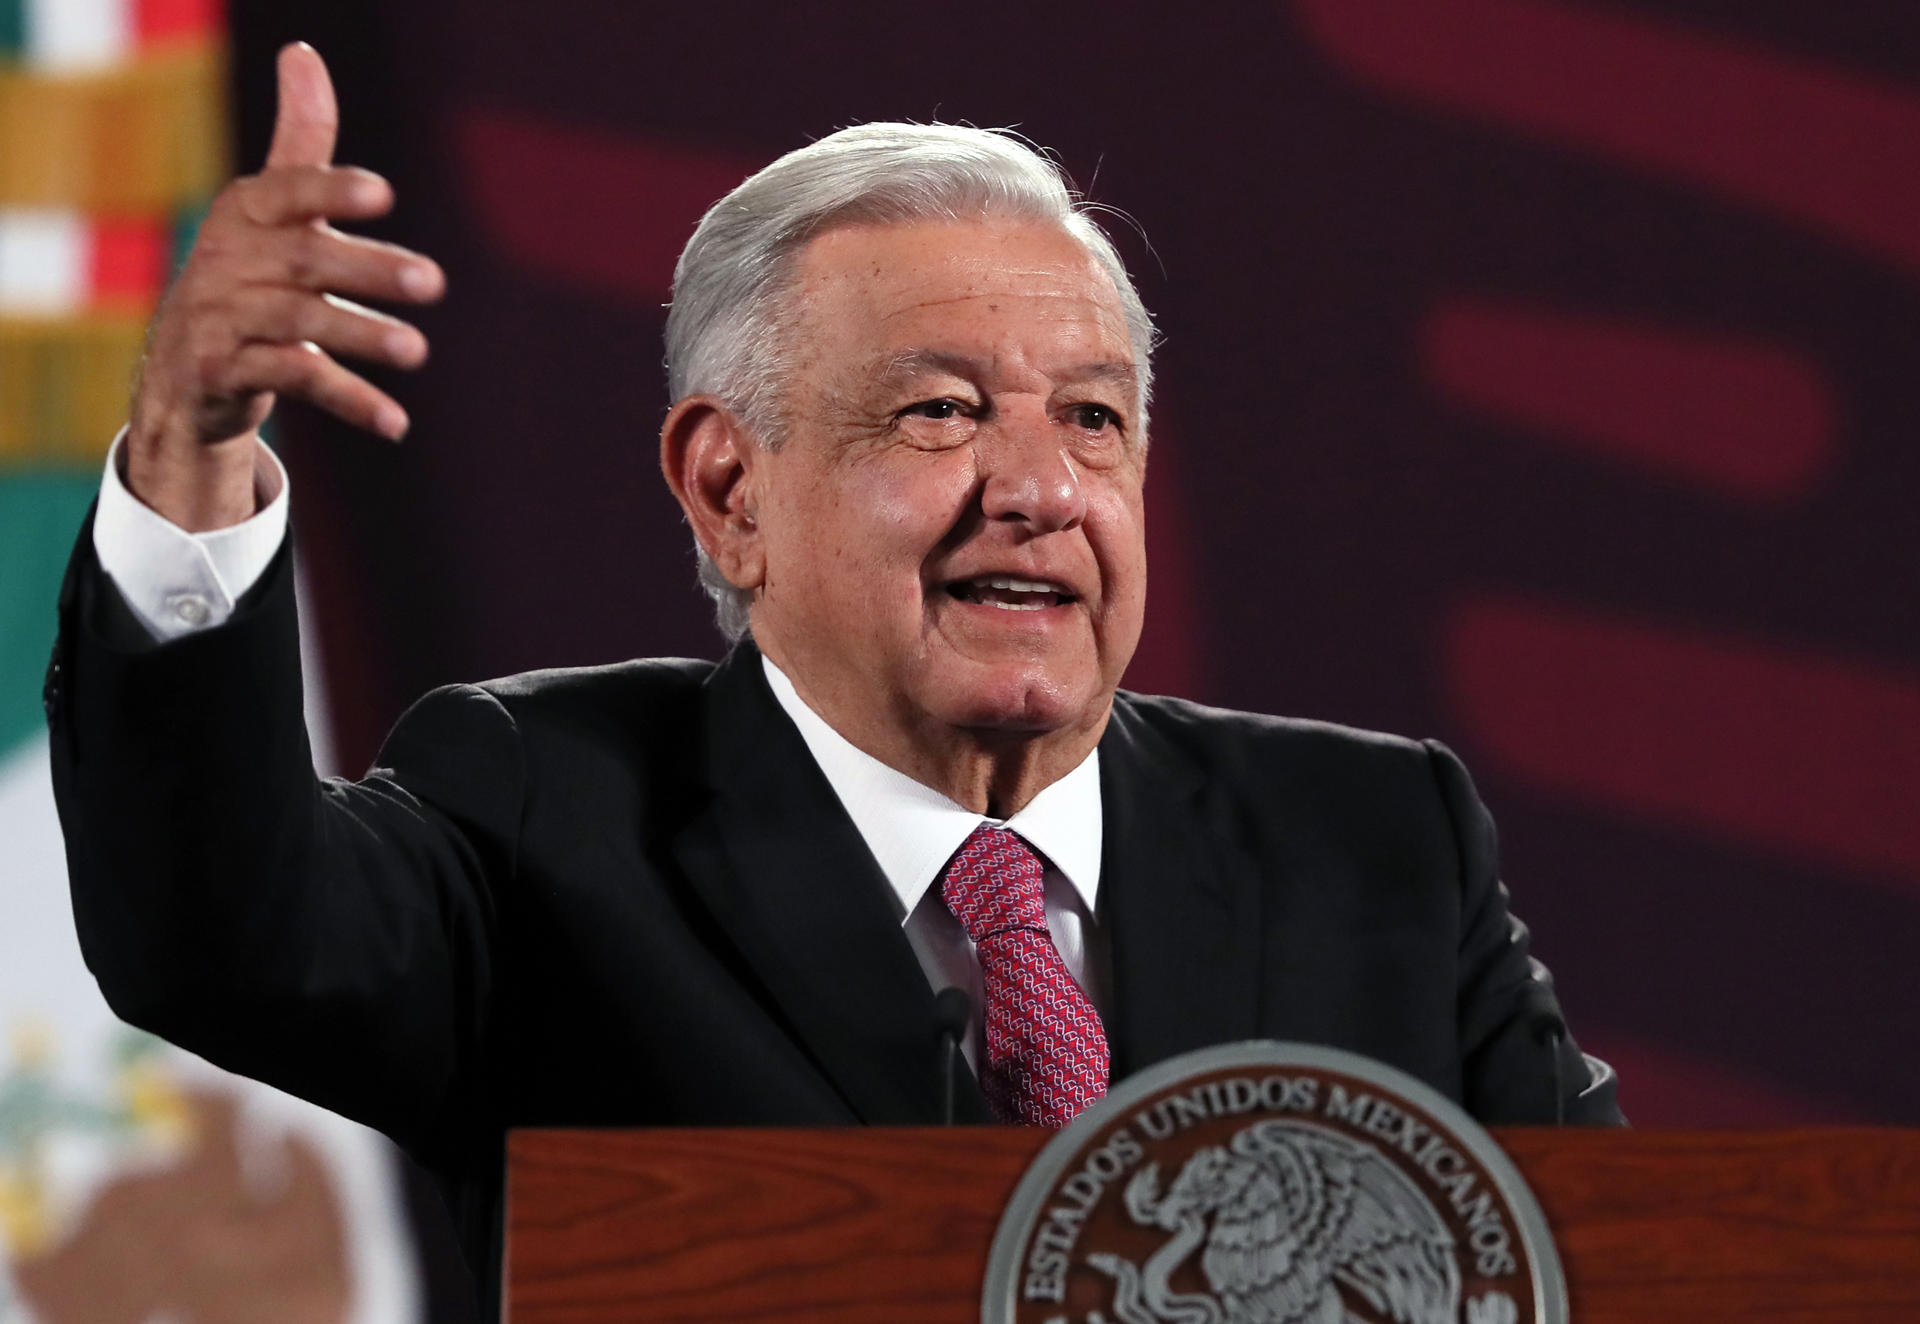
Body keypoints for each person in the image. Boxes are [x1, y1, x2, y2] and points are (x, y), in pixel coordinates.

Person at [46, 42, 1619, 1312]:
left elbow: (1624, 1263)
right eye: (940, 414)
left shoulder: (1375, 837)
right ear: (730, 492)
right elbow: (219, 931)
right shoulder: (547, 818)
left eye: (1093, 419)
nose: (1041, 490)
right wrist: (192, 461)